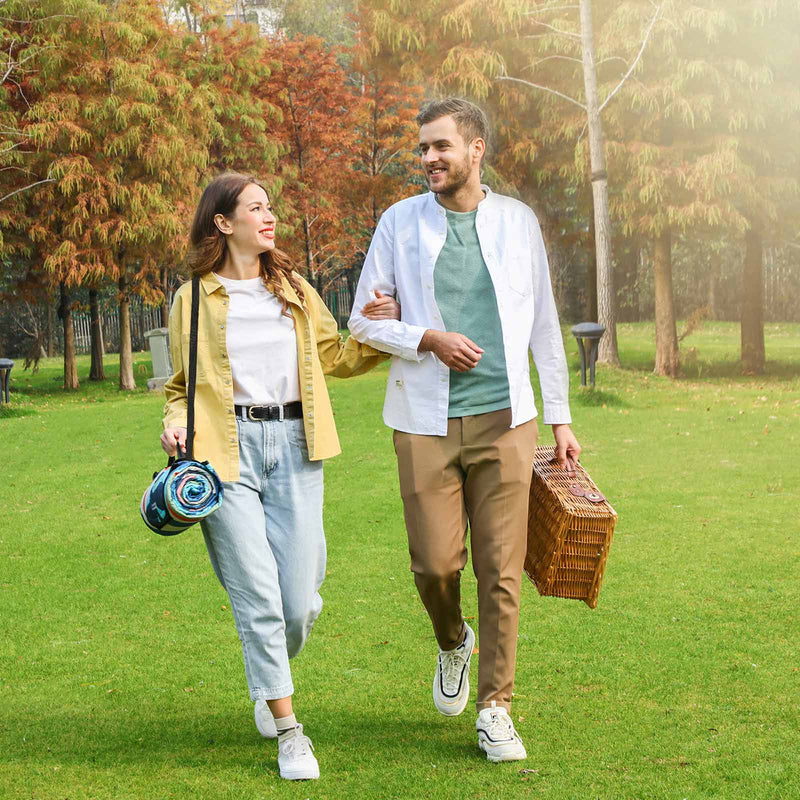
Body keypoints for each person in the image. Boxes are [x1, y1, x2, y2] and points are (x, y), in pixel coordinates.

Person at [348, 98, 581, 763]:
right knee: (434, 564)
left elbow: (542, 323)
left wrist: (558, 416)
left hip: (507, 419)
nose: (428, 159)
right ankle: (454, 639)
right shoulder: (399, 222)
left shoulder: (517, 221)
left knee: (500, 571)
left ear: (476, 149)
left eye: (440, 147)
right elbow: (362, 322)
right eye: (422, 149)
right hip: (423, 420)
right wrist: (426, 336)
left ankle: (495, 708)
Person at [160, 172, 398, 781]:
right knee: (260, 596)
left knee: (296, 602)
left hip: (297, 444)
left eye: (271, 208)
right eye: (256, 208)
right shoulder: (193, 295)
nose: (270, 217)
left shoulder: (293, 288)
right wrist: (174, 424)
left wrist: (379, 331)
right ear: (223, 223)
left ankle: (269, 676)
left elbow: (335, 356)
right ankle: (289, 729)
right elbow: (181, 388)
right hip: (223, 452)